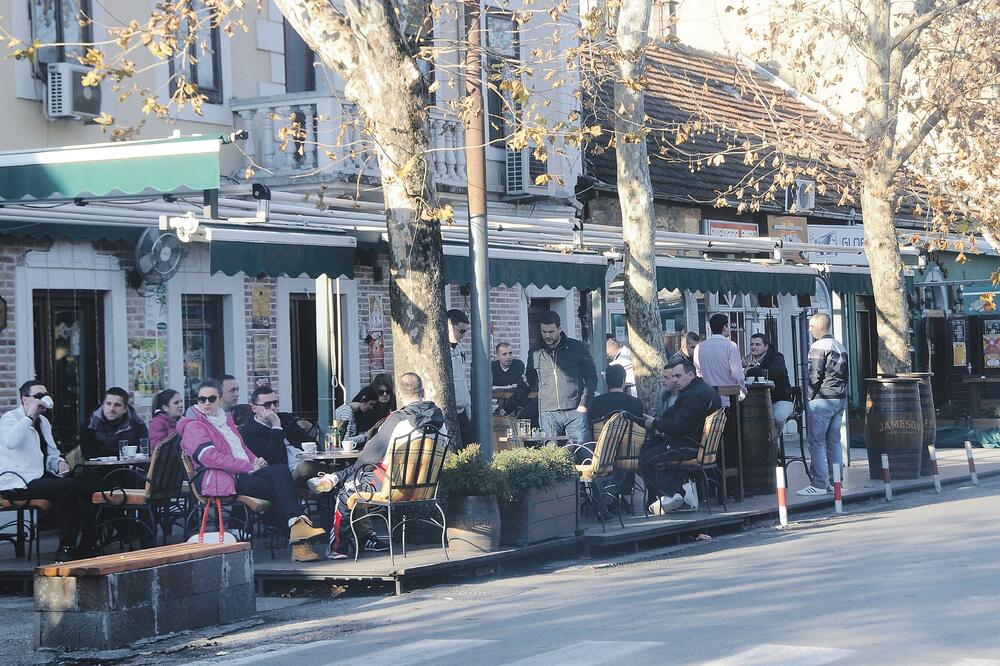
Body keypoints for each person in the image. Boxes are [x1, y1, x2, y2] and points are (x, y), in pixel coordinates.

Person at [178, 379, 326, 562]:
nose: (207, 403)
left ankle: (297, 532)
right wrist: (248, 466)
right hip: (220, 478)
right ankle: (299, 541)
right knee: (283, 488)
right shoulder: (194, 425)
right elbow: (209, 457)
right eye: (202, 399)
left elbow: (240, 447)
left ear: (220, 399)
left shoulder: (224, 419)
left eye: (211, 398)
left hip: (240, 474)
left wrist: (255, 459)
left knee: (280, 472)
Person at [308, 372, 445, 559]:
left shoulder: (398, 420)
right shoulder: (439, 422)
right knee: (358, 477)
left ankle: (337, 549)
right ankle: (335, 482)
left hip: (391, 485)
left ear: (399, 393)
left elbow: (369, 456)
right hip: (425, 488)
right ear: (422, 391)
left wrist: (357, 470)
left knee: (347, 491)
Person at [0, 381, 97, 562]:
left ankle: (84, 545)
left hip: (39, 479)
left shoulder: (43, 421)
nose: (43, 399)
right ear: (25, 399)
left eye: (45, 395)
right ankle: (66, 548)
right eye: (38, 396)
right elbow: (10, 441)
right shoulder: (10, 418)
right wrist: (29, 416)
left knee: (89, 489)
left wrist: (59, 463)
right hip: (17, 482)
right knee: (67, 488)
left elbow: (51, 454)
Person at [640, 358, 722, 514]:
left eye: (678, 376)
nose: (675, 380)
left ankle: (677, 493)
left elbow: (677, 427)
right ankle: (671, 494)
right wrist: (658, 423)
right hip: (698, 445)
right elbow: (671, 416)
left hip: (689, 446)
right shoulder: (702, 390)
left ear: (691, 375)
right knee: (649, 448)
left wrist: (655, 423)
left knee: (645, 460)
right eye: (673, 377)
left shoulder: (693, 395)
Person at [526, 311, 598, 446]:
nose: (547, 335)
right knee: (551, 454)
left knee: (582, 451)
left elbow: (591, 376)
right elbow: (529, 379)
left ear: (559, 329)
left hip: (575, 409)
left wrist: (584, 404)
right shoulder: (535, 351)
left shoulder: (577, 347)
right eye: (544, 331)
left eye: (551, 331)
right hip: (548, 412)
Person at [797, 313, 849, 497]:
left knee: (816, 442)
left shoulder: (818, 346)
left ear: (820, 327)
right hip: (839, 398)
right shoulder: (839, 345)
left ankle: (819, 484)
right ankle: (836, 483)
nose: (809, 329)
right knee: (833, 442)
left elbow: (815, 375)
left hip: (823, 399)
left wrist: (809, 397)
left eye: (811, 326)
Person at [79, 387, 150, 459]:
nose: (112, 409)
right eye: (108, 404)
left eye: (117, 405)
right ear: (103, 405)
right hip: (99, 465)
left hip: (129, 465)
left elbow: (143, 456)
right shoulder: (89, 426)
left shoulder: (138, 426)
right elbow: (89, 458)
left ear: (125, 409)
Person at [745, 333, 795, 432]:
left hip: (780, 399)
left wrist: (748, 370)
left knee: (778, 417)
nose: (753, 347)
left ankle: (773, 439)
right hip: (757, 400)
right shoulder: (747, 359)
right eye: (752, 344)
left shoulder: (777, 358)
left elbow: (771, 373)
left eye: (757, 344)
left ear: (766, 347)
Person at [693, 314, 746, 407]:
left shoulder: (699, 347)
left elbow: (698, 373)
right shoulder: (731, 346)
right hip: (728, 396)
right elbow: (737, 374)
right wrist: (742, 390)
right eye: (728, 325)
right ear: (725, 327)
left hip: (707, 397)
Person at [447, 309, 474, 446]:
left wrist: (468, 408)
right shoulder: (441, 351)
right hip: (448, 411)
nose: (463, 335)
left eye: (465, 331)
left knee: (469, 447)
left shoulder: (460, 349)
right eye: (461, 331)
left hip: (462, 410)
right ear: (448, 326)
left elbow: (463, 380)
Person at [492, 342, 529, 414]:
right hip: (501, 399)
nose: (508, 357)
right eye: (504, 354)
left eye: (510, 353)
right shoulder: (493, 366)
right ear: (498, 356)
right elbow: (490, 381)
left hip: (518, 400)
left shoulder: (518, 364)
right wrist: (510, 380)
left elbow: (517, 379)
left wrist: (498, 380)